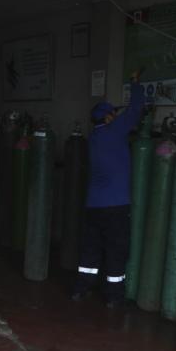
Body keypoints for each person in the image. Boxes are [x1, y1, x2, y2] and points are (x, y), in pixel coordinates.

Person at [71, 74, 145, 308]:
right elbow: (136, 109)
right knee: (116, 250)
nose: (116, 115)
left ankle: (81, 289)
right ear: (108, 117)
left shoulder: (94, 138)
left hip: (94, 206)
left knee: (90, 250)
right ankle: (114, 297)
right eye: (113, 113)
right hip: (115, 206)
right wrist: (135, 83)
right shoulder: (115, 131)